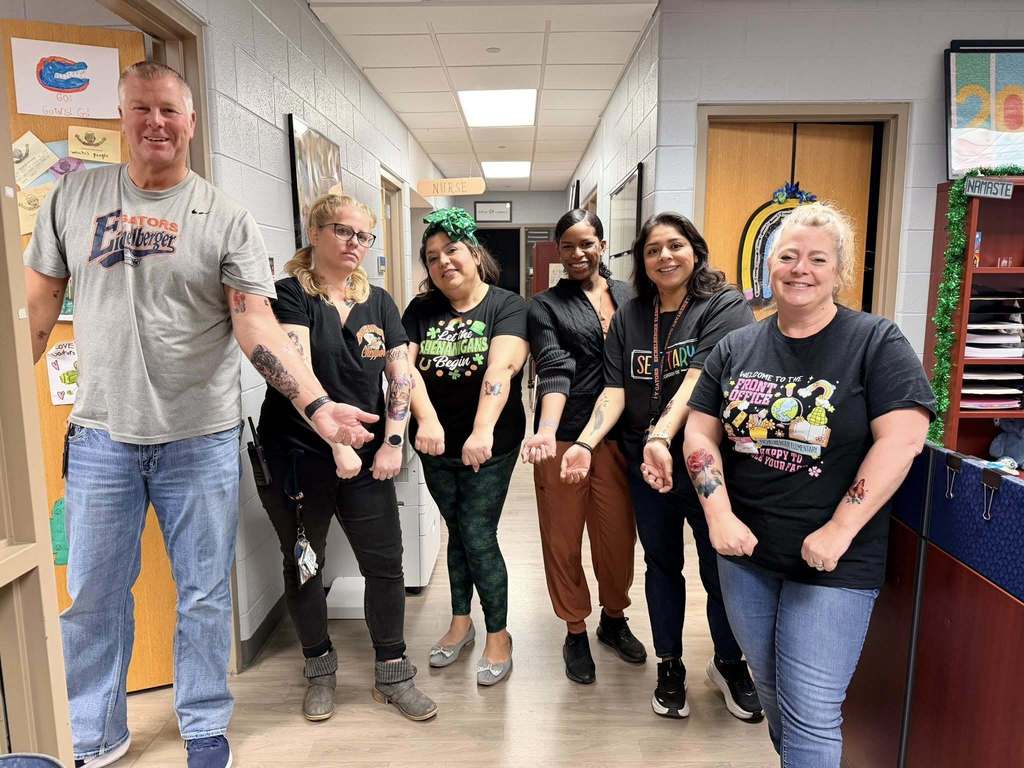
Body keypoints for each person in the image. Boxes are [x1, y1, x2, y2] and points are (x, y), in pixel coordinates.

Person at [23, 62, 375, 768]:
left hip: (200, 439)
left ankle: (205, 722)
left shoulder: (224, 216)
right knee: (91, 591)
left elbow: (256, 325)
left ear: (191, 121)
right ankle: (94, 730)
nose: (156, 122)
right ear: (121, 116)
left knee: (205, 592)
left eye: (170, 111)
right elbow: (36, 307)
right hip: (101, 436)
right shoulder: (74, 197)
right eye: (141, 109)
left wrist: (314, 405)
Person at [684, 202, 934, 766]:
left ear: (838, 272)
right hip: (746, 557)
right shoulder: (737, 346)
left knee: (812, 710)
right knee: (773, 694)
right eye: (789, 256)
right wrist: (719, 515)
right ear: (769, 266)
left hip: (834, 561)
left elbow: (902, 440)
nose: (801, 269)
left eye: (818, 259)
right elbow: (700, 436)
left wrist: (841, 530)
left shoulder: (875, 341)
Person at [561, 212, 762, 721]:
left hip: (708, 463)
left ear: (695, 249)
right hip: (645, 467)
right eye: (653, 250)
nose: (665, 257)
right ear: (642, 260)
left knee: (721, 567)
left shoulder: (724, 306)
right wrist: (585, 442)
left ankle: (728, 662)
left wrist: (659, 435)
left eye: (675, 246)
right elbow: (613, 388)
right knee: (662, 564)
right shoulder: (631, 315)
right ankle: (670, 664)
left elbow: (700, 380)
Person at [255, 193, 437, 723]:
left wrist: (394, 443)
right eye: (343, 231)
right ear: (314, 233)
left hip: (367, 453)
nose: (355, 242)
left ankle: (393, 672)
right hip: (297, 455)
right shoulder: (288, 295)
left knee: (385, 562)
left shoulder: (378, 300)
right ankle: (319, 669)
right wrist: (336, 446)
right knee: (305, 565)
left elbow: (400, 374)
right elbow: (293, 369)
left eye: (364, 235)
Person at [402, 208, 528, 687]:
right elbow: (405, 369)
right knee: (457, 530)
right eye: (432, 257)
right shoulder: (420, 310)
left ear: (474, 252)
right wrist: (427, 419)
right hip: (435, 444)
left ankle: (499, 632)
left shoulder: (508, 305)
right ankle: (460, 620)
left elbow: (502, 369)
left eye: (451, 250)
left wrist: (481, 430)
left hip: (490, 445)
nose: (443, 262)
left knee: (477, 532)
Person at [523, 209, 645, 685]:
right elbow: (554, 365)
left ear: (601, 243)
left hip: (620, 437)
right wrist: (549, 430)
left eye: (585, 243)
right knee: (562, 535)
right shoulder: (546, 305)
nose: (577, 254)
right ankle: (575, 627)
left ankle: (613, 619)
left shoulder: (634, 297)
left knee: (617, 537)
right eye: (567, 246)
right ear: (558, 249)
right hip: (565, 435)